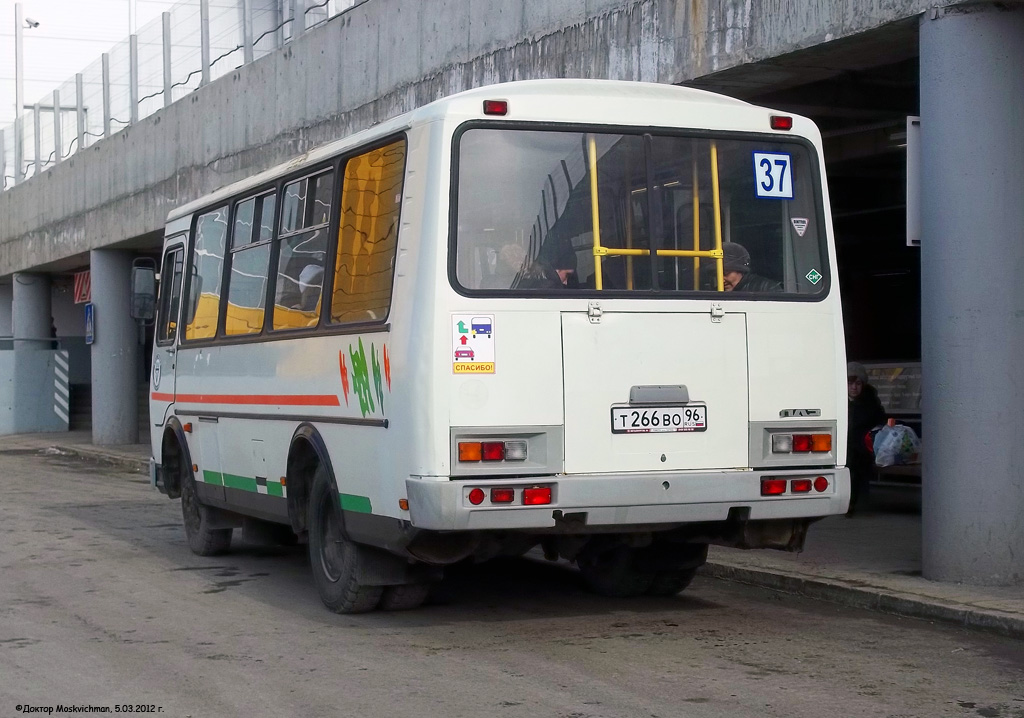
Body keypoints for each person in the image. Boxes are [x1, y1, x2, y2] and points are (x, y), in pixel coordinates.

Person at [846, 361, 886, 516]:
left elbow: (880, 421)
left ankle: (852, 502)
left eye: (857, 383)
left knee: (854, 463)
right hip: (845, 445)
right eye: (850, 383)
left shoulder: (870, 402)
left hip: (863, 446)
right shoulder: (840, 401)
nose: (854, 388)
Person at [703, 242, 781, 292]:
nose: (721, 280)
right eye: (717, 275)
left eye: (725, 273)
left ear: (741, 271)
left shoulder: (767, 289)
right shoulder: (715, 294)